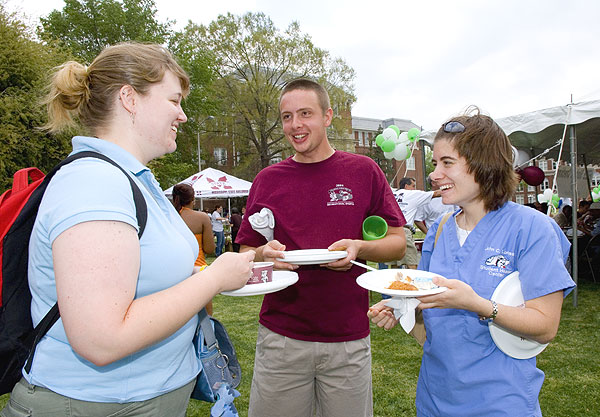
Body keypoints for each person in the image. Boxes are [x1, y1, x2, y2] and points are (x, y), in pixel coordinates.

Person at [1, 42, 255, 417]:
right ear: (130, 98)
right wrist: (215, 277)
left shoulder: (131, 179)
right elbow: (101, 340)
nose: (182, 116)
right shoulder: (94, 183)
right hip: (92, 404)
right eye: (174, 100)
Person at [368, 107, 575, 417]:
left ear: (485, 165)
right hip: (434, 401)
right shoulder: (439, 230)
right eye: (435, 163)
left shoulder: (532, 229)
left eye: (447, 163)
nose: (436, 174)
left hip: (501, 403)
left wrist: (478, 304)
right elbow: (431, 333)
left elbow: (545, 326)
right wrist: (405, 310)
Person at [236, 78, 406, 417]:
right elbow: (245, 254)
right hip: (281, 337)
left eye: (305, 113)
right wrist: (263, 256)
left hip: (346, 339)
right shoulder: (267, 180)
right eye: (287, 116)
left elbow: (398, 243)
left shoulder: (363, 171)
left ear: (328, 116)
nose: (295, 125)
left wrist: (359, 247)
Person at [172, 183, 216, 315]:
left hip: (175, 272)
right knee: (206, 317)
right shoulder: (201, 217)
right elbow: (209, 249)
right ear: (193, 199)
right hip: (198, 271)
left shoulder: (167, 217)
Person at [393, 177, 441, 269]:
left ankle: (394, 283)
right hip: (404, 231)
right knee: (412, 263)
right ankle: (413, 283)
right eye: (413, 186)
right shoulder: (413, 194)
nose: (415, 188)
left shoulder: (392, 194)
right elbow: (437, 193)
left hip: (390, 231)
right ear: (406, 186)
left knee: (394, 265)